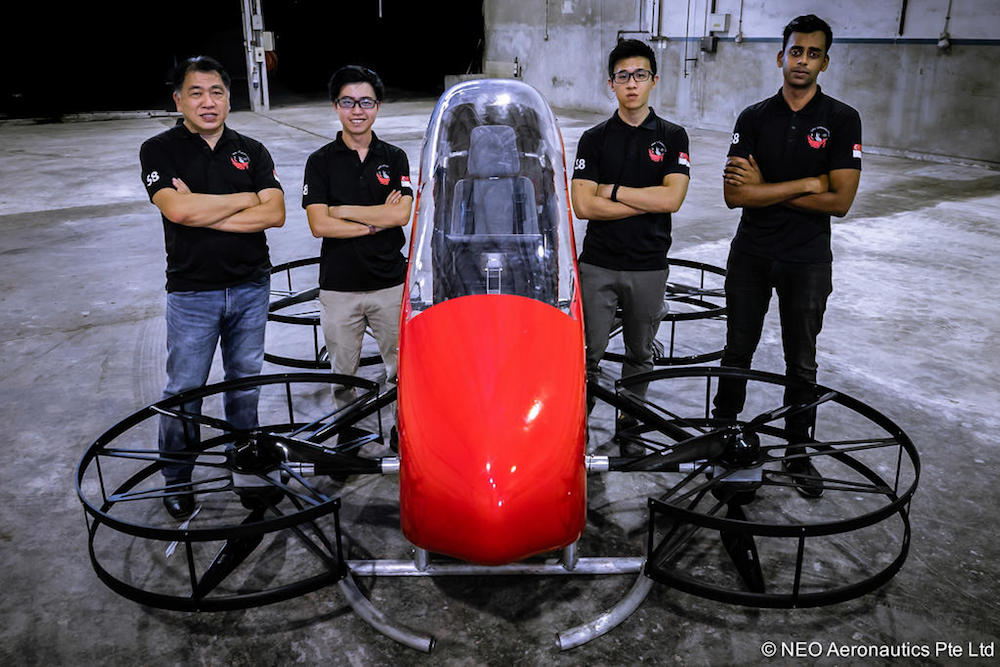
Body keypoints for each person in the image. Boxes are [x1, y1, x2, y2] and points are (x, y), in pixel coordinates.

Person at [712, 14, 862, 498]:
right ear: (781, 56)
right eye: (796, 51)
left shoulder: (842, 120)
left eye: (813, 53)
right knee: (738, 350)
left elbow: (840, 201)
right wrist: (804, 183)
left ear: (825, 62)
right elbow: (735, 197)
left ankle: (799, 451)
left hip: (807, 259)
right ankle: (721, 436)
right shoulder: (753, 118)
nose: (803, 61)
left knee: (802, 362)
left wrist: (766, 188)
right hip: (752, 253)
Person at [139, 56, 286, 518]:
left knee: (244, 385)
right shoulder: (158, 150)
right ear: (178, 99)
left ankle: (245, 469)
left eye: (217, 92)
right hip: (192, 292)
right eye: (196, 93)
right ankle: (177, 478)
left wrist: (207, 209)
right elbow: (178, 213)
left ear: (228, 97)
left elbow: (275, 214)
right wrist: (245, 200)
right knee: (184, 388)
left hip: (250, 286)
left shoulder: (252, 150)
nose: (208, 101)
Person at [570, 39, 691, 456]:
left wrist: (616, 191)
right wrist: (645, 201)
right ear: (611, 84)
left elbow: (672, 200)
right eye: (623, 76)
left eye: (640, 75)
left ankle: (630, 421)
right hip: (598, 265)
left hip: (648, 265)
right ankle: (575, 423)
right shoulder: (594, 139)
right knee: (586, 353)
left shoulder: (673, 137)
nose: (632, 84)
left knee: (640, 352)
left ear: (654, 81)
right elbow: (584, 206)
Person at [301, 65, 413, 450]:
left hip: (390, 283)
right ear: (336, 106)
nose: (357, 110)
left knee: (404, 370)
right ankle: (345, 432)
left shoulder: (395, 158)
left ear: (377, 106)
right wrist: (372, 219)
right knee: (343, 373)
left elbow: (401, 215)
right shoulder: (320, 161)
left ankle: (407, 429)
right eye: (348, 102)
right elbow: (319, 224)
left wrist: (341, 210)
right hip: (340, 287)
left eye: (366, 102)